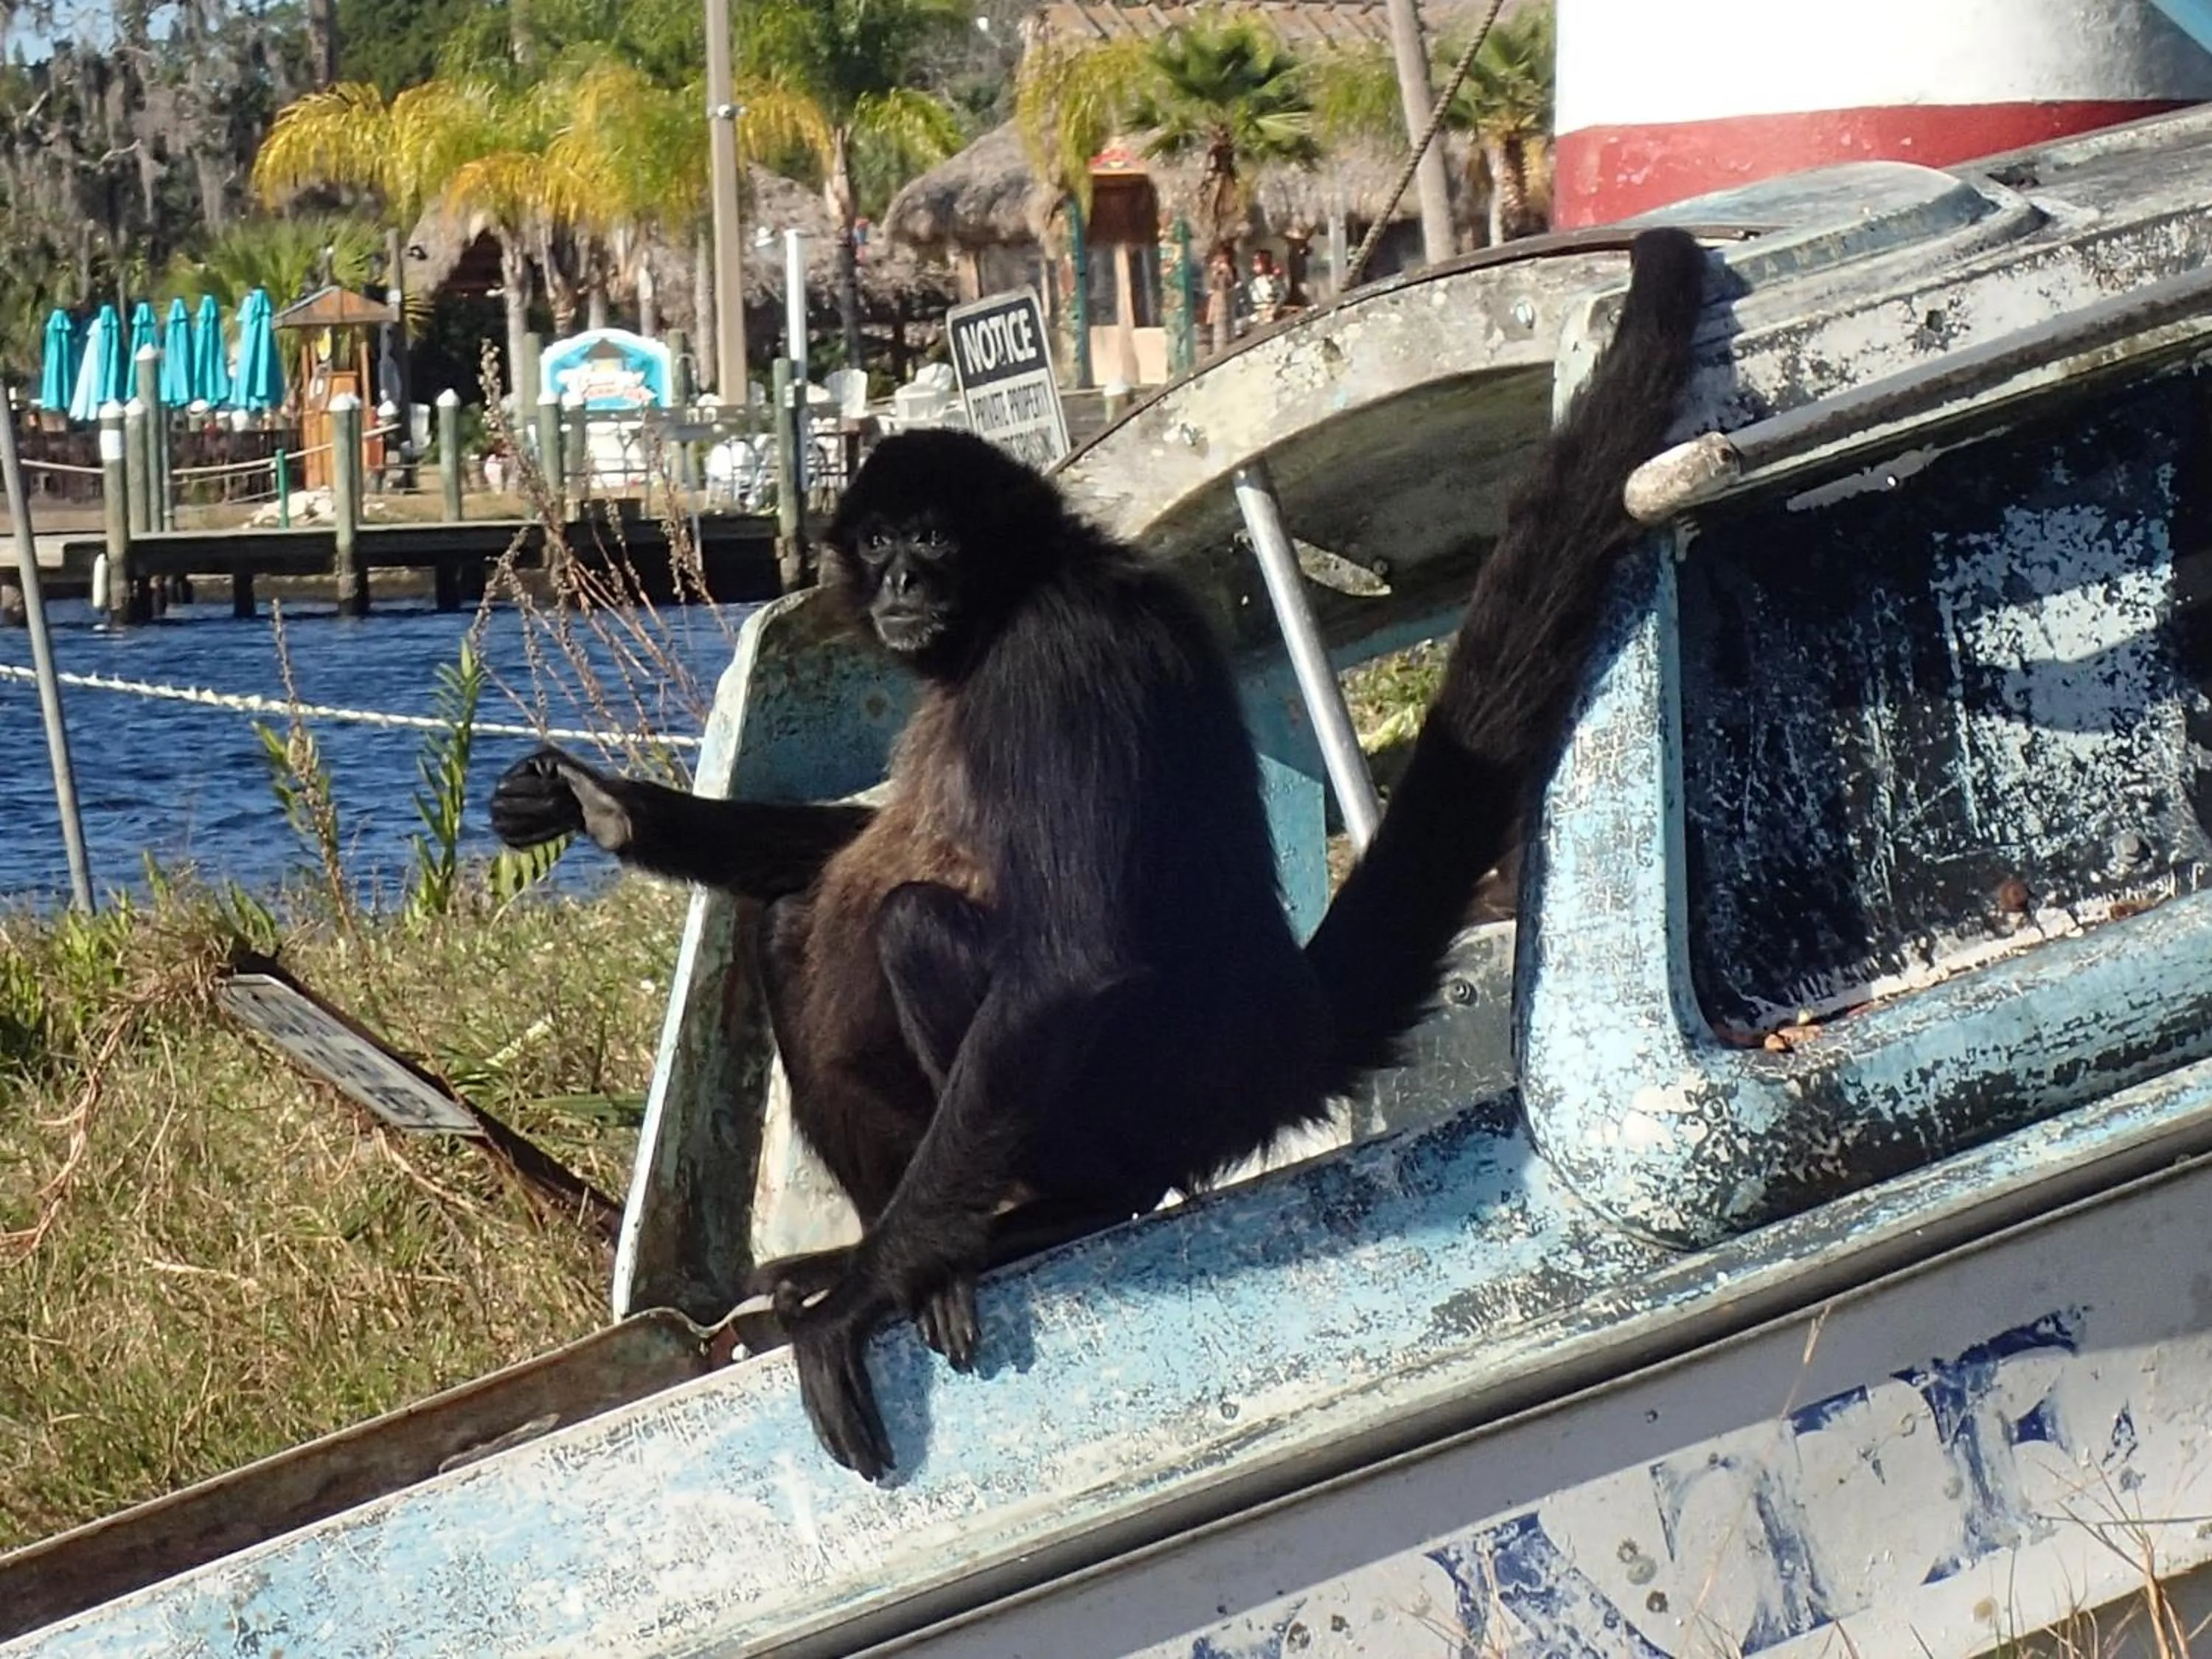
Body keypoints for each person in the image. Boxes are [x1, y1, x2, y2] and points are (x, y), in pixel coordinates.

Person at [1246, 248, 1287, 327]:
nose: (1255, 266)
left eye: (1258, 262)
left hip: (1271, 313)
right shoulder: (1253, 283)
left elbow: (1283, 295)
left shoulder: (1272, 280)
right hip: (1258, 315)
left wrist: (1274, 309)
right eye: (1254, 263)